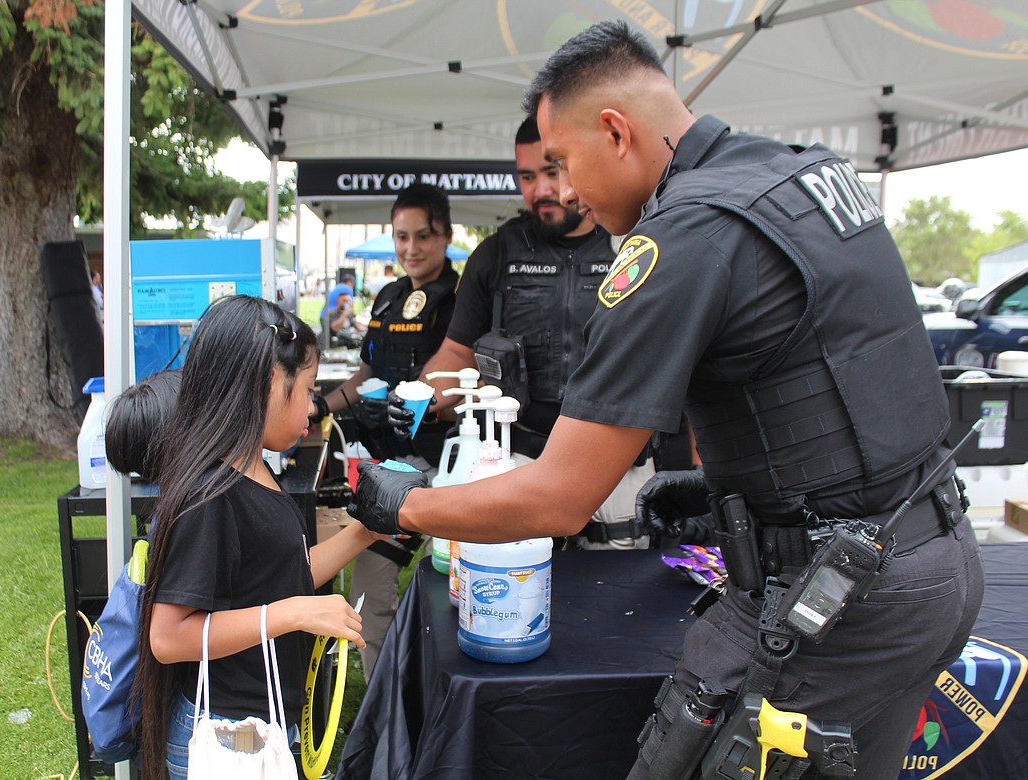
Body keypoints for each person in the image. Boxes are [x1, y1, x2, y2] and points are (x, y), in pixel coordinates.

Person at [349, 20, 984, 780]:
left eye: (562, 162)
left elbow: (559, 500)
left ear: (615, 132)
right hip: (933, 563)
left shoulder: (683, 236)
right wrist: (730, 496)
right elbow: (836, 387)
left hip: (834, 605)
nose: (564, 191)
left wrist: (405, 505)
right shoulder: (805, 176)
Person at [133, 295, 388, 780]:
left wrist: (366, 531)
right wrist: (292, 613)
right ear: (268, 384)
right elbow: (168, 637)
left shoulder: (257, 466)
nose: (313, 407)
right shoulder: (210, 495)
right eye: (309, 390)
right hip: (227, 737)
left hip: (261, 724)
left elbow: (280, 576)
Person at [412, 116, 657, 550]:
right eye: (527, 176)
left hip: (617, 466)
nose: (541, 190)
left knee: (621, 600)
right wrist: (415, 399)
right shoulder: (495, 254)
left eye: (552, 170)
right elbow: (456, 352)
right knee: (509, 596)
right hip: (514, 456)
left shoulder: (635, 242)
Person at [312, 183, 460, 679]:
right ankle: (384, 705)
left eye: (423, 236)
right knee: (372, 583)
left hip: (450, 470)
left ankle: (443, 699)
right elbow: (363, 378)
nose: (411, 248)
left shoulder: (466, 301)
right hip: (392, 471)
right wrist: (318, 407)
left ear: (446, 236)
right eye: (402, 237)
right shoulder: (389, 297)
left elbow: (470, 379)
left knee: (455, 591)